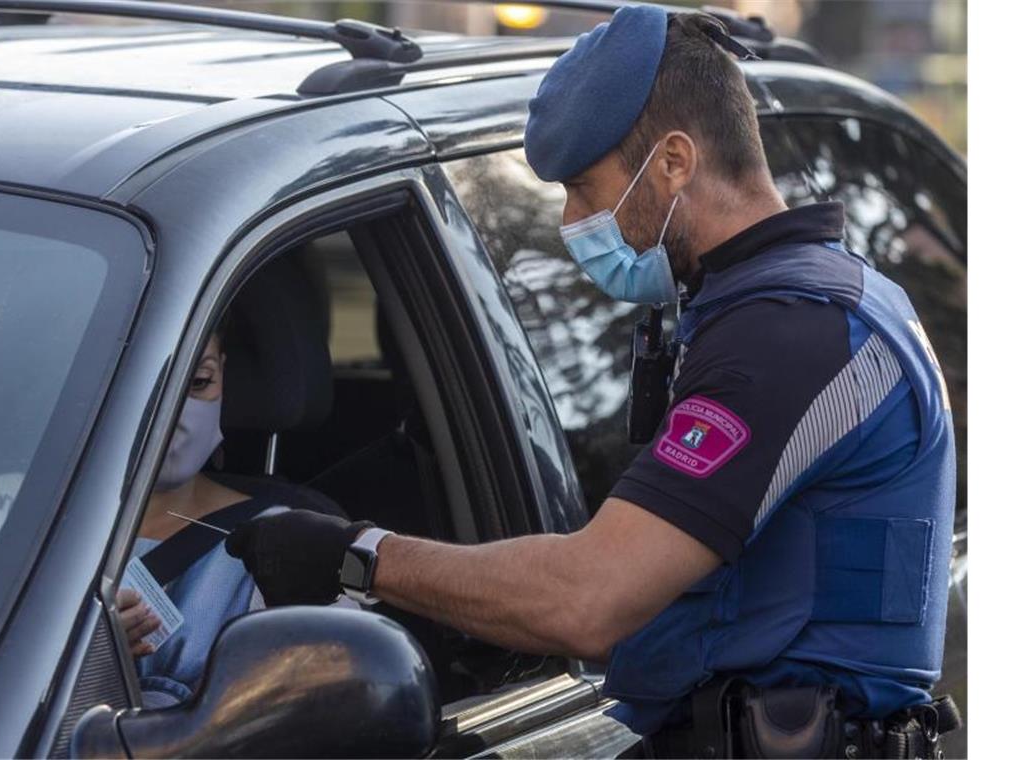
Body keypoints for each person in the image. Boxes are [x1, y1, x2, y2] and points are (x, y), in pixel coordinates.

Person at [224, 8, 959, 758]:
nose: (573, 220)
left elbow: (588, 599)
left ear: (674, 161)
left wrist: (359, 554)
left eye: (583, 187)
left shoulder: (792, 335)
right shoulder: (761, 304)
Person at [116, 323, 367, 708]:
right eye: (144, 381)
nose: (171, 411)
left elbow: (338, 707)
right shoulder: (12, 520)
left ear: (224, 375)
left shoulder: (286, 544)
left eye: (199, 381)